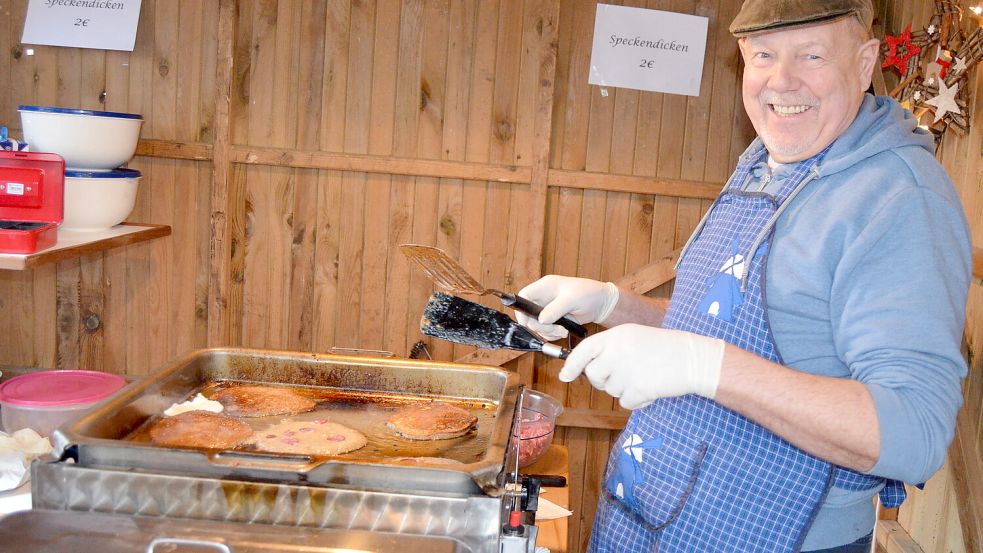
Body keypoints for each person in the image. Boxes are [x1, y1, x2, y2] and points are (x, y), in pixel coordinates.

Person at [515, 1, 972, 551]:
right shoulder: (765, 159)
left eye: (812, 54)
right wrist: (615, 306)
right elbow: (732, 326)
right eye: (763, 56)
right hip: (654, 514)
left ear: (865, 61)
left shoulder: (899, 198)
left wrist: (704, 367)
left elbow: (914, 432)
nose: (783, 80)